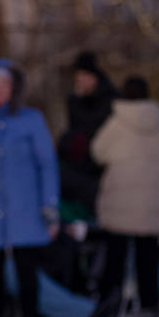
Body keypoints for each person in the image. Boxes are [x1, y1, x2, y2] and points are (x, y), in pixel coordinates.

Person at [0, 58, 59, 317]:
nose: (0, 90)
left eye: (5, 84)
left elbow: (47, 164)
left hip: (26, 207)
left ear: (14, 88)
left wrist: (50, 206)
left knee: (26, 271)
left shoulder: (31, 119)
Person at [86, 76, 159, 317]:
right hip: (150, 199)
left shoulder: (117, 121)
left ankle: (111, 301)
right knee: (148, 255)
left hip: (120, 198)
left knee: (116, 255)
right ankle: (150, 303)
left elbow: (98, 151)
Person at [57, 51, 117, 222]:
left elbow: (90, 128)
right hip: (80, 160)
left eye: (82, 77)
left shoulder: (107, 99)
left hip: (97, 162)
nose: (79, 82)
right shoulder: (77, 99)